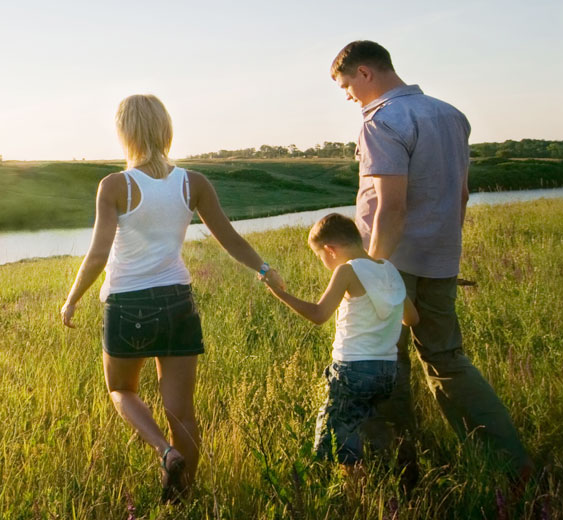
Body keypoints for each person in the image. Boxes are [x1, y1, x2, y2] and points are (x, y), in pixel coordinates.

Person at [59, 94, 282, 502]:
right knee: (182, 411)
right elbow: (228, 237)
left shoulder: (115, 185)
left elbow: (97, 254)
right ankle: (183, 498)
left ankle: (165, 452)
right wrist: (265, 270)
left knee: (121, 390)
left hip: (128, 304)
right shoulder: (192, 182)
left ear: (124, 133)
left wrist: (72, 298)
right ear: (165, 129)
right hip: (178, 300)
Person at [329, 40, 532, 478]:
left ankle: (398, 471)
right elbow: (461, 192)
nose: (347, 96)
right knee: (447, 359)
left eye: (346, 86)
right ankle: (508, 464)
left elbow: (390, 207)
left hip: (391, 262)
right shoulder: (451, 114)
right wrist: (445, 249)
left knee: (383, 362)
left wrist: (372, 271)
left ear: (365, 73)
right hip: (440, 257)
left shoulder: (382, 119)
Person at [259, 213, 418, 475]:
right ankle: (388, 487)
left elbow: (319, 315)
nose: (323, 263)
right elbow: (411, 319)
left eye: (319, 256)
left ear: (330, 250)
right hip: (388, 370)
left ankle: (358, 502)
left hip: (352, 370)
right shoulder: (390, 269)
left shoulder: (347, 270)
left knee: (343, 448)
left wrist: (279, 291)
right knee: (373, 436)